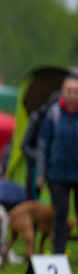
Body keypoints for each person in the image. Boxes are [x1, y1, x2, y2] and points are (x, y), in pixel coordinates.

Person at [36, 73, 78, 255]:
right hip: (58, 173)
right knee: (60, 214)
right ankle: (58, 253)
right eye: (69, 90)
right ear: (62, 91)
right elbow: (43, 144)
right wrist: (40, 173)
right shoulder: (53, 113)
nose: (72, 94)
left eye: (76, 91)